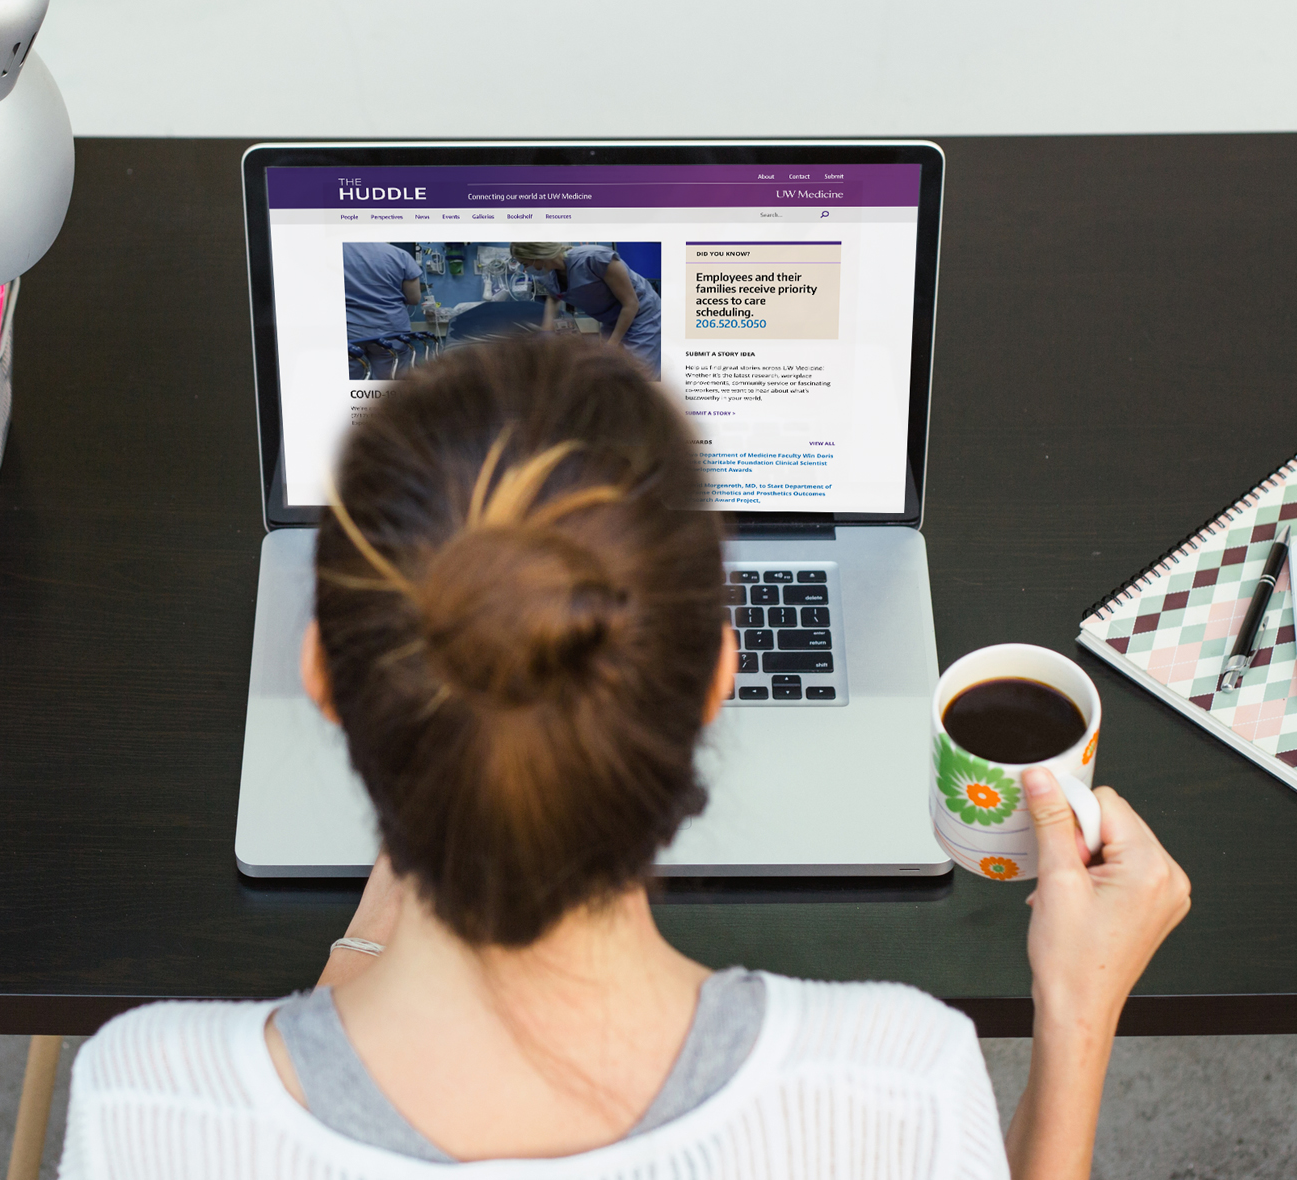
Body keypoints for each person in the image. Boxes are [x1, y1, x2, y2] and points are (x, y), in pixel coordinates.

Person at [59, 336, 1189, 1179]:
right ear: (714, 678)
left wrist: (357, 960)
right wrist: (1077, 1006)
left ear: (323, 675)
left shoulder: (143, 1102)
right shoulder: (895, 1080)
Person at [510, 241, 663, 375]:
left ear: (537, 254)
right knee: (610, 369)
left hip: (642, 315)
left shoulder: (595, 258)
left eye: (525, 264)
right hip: (611, 319)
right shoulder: (545, 275)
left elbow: (631, 304)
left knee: (638, 372)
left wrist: (612, 344)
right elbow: (554, 296)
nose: (525, 269)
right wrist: (546, 331)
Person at [345, 242, 423, 379]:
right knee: (392, 384)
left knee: (354, 385)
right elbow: (414, 299)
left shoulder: (335, 251)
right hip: (390, 331)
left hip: (350, 331)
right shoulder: (400, 255)